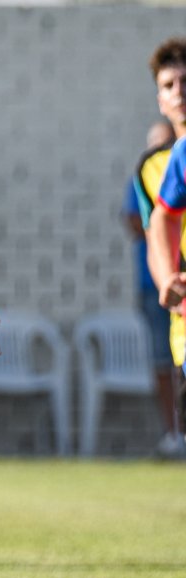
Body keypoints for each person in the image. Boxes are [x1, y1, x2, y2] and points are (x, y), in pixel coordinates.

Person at [128, 118, 180, 456]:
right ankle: (173, 432)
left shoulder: (179, 166)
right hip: (155, 288)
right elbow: (141, 222)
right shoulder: (145, 174)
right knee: (163, 360)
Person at [143, 38, 186, 451]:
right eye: (171, 84)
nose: (181, 92)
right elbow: (157, 221)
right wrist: (166, 281)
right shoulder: (157, 165)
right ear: (160, 98)